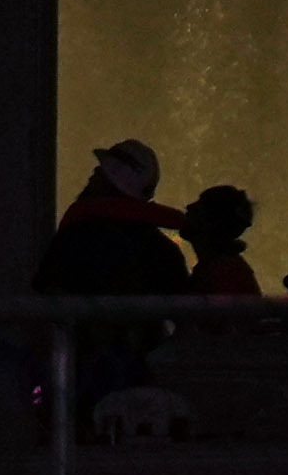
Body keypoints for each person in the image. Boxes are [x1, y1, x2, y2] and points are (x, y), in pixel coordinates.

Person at [28, 135, 186, 425]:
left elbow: (46, 305)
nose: (90, 177)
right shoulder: (163, 251)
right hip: (144, 380)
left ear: (107, 181)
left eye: (98, 173)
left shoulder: (75, 239)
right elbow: (182, 319)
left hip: (79, 374)